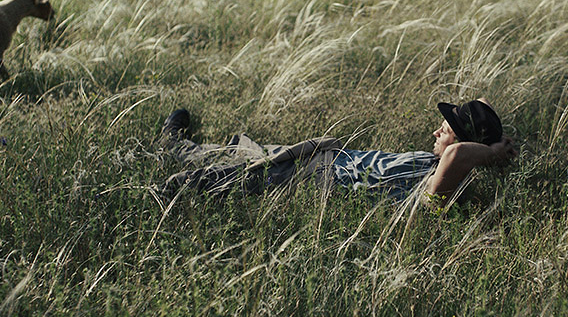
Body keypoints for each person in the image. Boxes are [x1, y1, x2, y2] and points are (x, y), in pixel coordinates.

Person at [158, 99, 517, 203]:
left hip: (316, 177)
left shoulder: (445, 183)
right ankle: (180, 145)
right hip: (321, 155)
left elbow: (458, 157)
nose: (437, 130)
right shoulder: (439, 161)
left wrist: (493, 153)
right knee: (247, 152)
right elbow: (480, 107)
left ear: (467, 146)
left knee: (225, 177)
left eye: (447, 130)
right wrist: (491, 139)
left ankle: (165, 181)